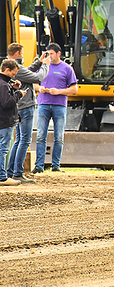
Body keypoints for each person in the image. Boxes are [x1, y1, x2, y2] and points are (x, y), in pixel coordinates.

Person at [6, 43, 50, 184]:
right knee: (24, 140)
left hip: (19, 107)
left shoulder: (12, 67)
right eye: (22, 53)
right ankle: (18, 172)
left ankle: (11, 171)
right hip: (26, 106)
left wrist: (38, 62)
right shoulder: (16, 68)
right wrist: (45, 65)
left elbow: (27, 72)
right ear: (17, 53)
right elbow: (37, 78)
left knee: (18, 140)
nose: (23, 56)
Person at [33, 43, 78, 173]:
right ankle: (39, 166)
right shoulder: (42, 67)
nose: (49, 56)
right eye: (48, 53)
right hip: (43, 104)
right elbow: (33, 82)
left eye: (51, 53)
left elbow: (74, 89)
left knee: (59, 136)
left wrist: (59, 91)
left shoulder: (67, 69)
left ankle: (56, 165)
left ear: (59, 54)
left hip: (59, 105)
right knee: (41, 135)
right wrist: (39, 88)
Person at [0, 59, 26, 186]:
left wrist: (13, 88)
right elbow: (7, 103)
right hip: (5, 122)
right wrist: (19, 94)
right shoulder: (3, 85)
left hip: (2, 121)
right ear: (7, 70)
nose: (14, 76)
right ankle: (2, 177)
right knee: (3, 149)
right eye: (13, 74)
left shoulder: (4, 84)